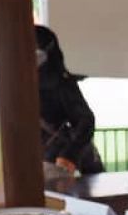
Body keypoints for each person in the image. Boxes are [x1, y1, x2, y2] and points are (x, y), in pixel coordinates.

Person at [35, 24, 104, 178]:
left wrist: (69, 155)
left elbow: (85, 120)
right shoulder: (19, 82)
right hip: (34, 161)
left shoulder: (60, 82)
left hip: (58, 163)